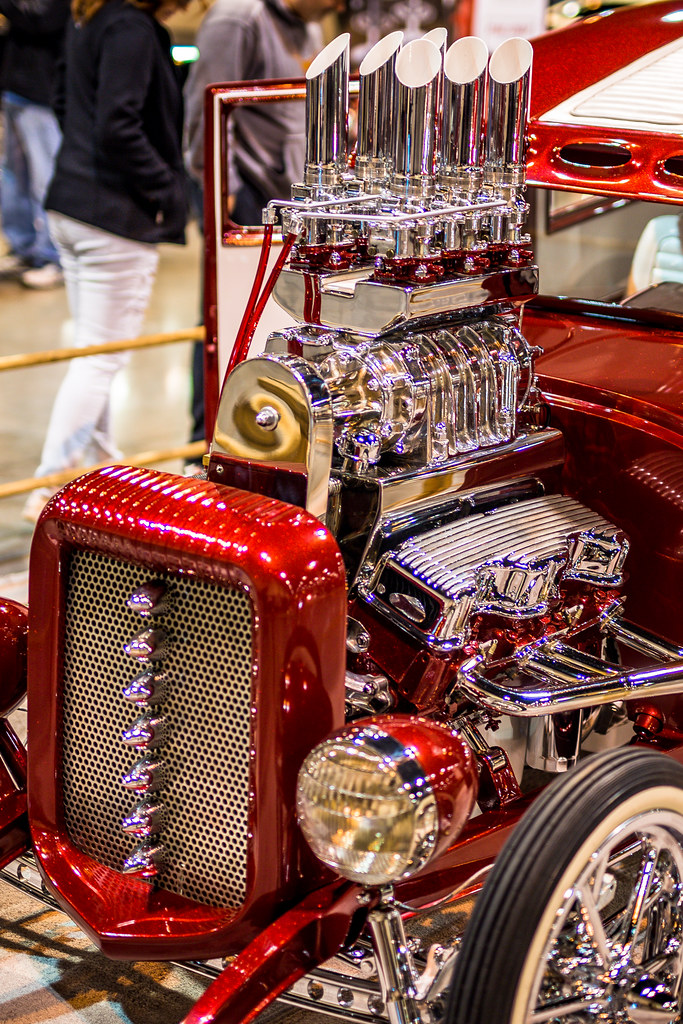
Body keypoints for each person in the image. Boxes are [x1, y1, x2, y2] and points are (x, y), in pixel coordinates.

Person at [24, 0, 189, 521]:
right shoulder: (128, 27)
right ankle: (49, 483)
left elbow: (64, 100)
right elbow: (118, 125)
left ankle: (100, 465)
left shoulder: (91, 17)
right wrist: (167, 189)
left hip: (73, 205)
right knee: (100, 358)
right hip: (110, 217)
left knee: (95, 350)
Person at [182, 0, 344, 462]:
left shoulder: (308, 23)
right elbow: (205, 108)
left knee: (286, 319)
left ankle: (273, 438)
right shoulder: (238, 18)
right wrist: (221, 187)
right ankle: (210, 444)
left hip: (294, 197)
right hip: (247, 195)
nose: (338, 5)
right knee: (229, 316)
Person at [0, 0, 69, 289]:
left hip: (41, 95)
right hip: (14, 90)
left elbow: (44, 21)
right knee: (12, 176)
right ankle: (24, 246)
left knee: (45, 178)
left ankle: (53, 255)